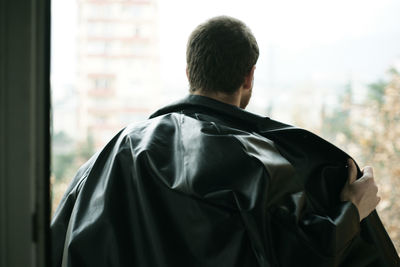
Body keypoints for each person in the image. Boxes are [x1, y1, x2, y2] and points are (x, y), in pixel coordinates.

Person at [51, 16, 399, 267]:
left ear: (189, 73)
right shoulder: (252, 158)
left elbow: (55, 244)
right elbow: (301, 255)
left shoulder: (111, 153)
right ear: (249, 77)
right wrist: (352, 209)